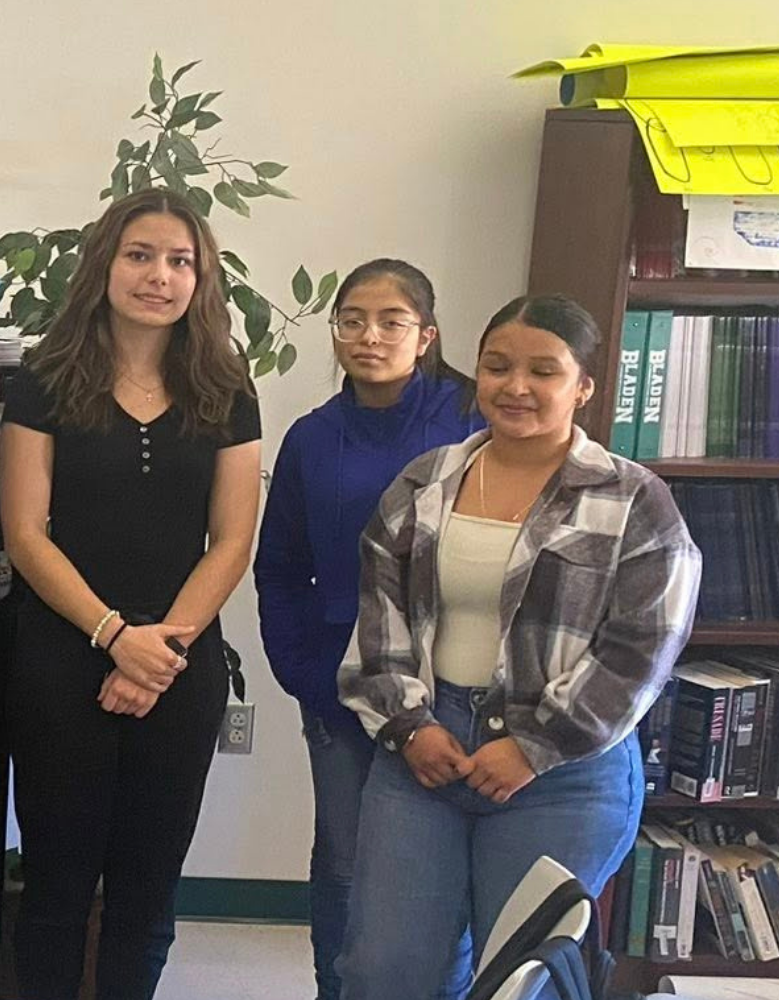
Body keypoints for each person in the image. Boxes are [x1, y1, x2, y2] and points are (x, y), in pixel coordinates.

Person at [338, 294, 701, 1000]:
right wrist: (412, 726)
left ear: (583, 386)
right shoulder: (424, 481)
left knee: (523, 982)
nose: (517, 387)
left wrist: (534, 747)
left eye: (544, 371)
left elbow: (642, 648)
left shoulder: (633, 499)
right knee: (386, 972)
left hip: (566, 771)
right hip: (425, 753)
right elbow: (380, 618)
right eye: (498, 366)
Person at [0, 188, 262, 1000]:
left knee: (147, 891)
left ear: (201, 277)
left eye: (180, 261)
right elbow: (26, 534)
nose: (159, 276)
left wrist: (162, 650)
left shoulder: (226, 385)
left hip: (179, 671)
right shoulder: (45, 378)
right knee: (56, 886)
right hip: (59, 663)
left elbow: (234, 542)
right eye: (140, 255)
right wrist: (117, 637)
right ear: (105, 266)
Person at [254, 258, 482, 999]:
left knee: (447, 863)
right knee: (346, 866)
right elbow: (280, 567)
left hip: (456, 687)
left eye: (392, 321)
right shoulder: (312, 438)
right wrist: (307, 676)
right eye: (352, 320)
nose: (369, 335)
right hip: (341, 684)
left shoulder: (472, 421)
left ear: (427, 336)